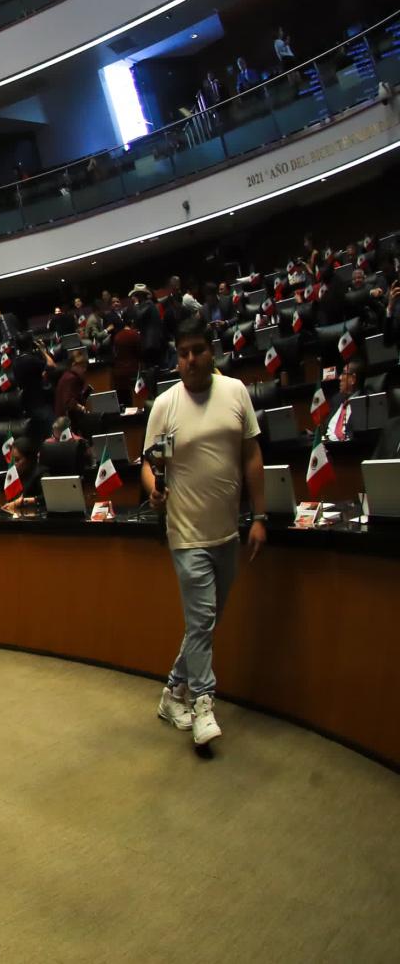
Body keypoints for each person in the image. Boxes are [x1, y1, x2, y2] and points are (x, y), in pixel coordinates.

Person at [143, 318, 265, 747]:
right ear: (176, 358)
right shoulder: (165, 405)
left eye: (197, 350)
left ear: (211, 352)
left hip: (227, 532)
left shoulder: (235, 393)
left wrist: (262, 517)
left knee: (205, 623)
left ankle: (172, 691)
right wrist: (155, 490)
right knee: (201, 619)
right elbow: (149, 464)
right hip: (186, 532)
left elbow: (252, 454)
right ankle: (202, 704)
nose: (190, 360)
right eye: (182, 353)